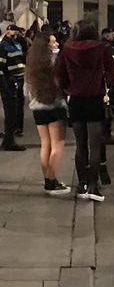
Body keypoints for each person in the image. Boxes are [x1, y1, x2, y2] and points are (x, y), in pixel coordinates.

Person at [55, 21, 114, 202]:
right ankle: (93, 186)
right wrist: (106, 84)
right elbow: (112, 72)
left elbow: (60, 76)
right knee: (95, 145)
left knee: (80, 144)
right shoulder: (101, 49)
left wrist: (68, 89)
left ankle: (81, 185)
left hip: (76, 100)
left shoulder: (66, 50)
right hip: (95, 99)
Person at [24, 30, 70, 195]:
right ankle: (53, 181)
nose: (57, 44)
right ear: (47, 45)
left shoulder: (32, 64)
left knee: (45, 144)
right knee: (57, 145)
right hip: (56, 106)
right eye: (53, 41)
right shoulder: (56, 62)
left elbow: (27, 89)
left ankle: (47, 181)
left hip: (38, 108)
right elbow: (63, 83)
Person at [0, 25, 27, 151]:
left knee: (15, 110)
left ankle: (9, 138)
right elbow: (1, 67)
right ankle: (9, 140)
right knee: (10, 111)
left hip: (17, 80)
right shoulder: (3, 46)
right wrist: (6, 83)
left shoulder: (16, 44)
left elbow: (20, 59)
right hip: (9, 82)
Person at [100, 28, 114, 145]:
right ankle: (105, 134)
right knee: (108, 109)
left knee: (108, 108)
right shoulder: (107, 48)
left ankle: (105, 133)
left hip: (107, 82)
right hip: (108, 84)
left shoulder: (108, 46)